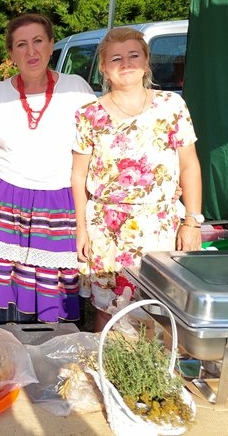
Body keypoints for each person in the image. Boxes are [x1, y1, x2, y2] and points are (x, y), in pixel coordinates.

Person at [0, 13, 96, 325]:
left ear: (52, 45)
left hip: (59, 198)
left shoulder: (76, 88)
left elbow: (99, 144)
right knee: (6, 280)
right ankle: (5, 341)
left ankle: (54, 343)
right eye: (21, 44)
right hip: (5, 198)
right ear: (11, 53)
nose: (31, 51)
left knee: (55, 279)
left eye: (38, 41)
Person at [71, 27, 202, 288]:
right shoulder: (88, 114)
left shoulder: (172, 106)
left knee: (161, 301)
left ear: (146, 62)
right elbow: (78, 175)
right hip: (105, 229)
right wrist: (81, 229)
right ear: (103, 68)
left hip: (160, 228)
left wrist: (192, 223)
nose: (126, 64)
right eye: (116, 58)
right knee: (110, 303)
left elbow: (189, 166)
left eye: (133, 56)